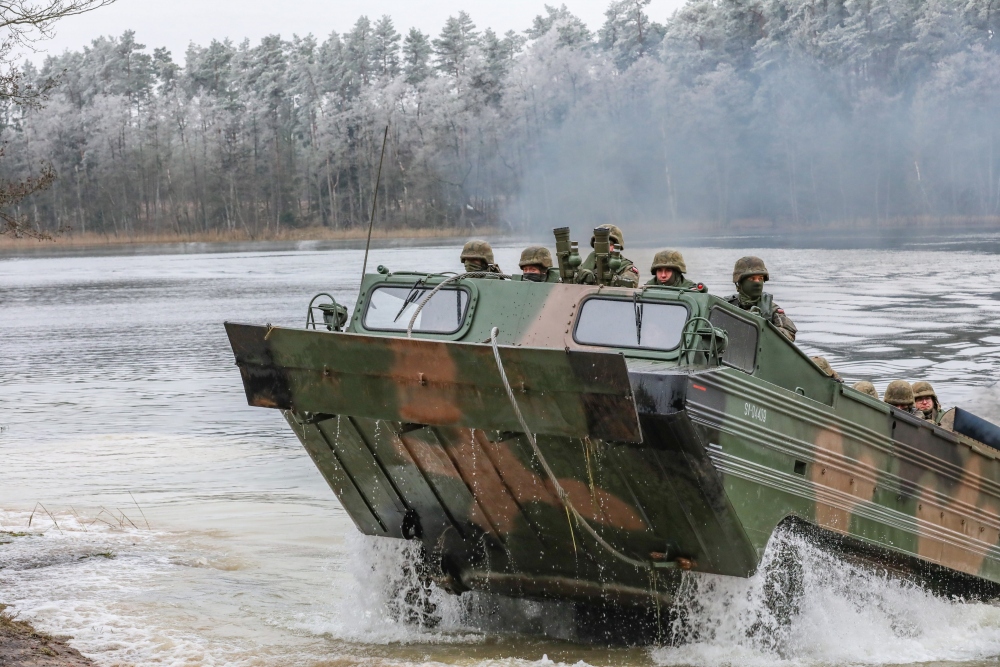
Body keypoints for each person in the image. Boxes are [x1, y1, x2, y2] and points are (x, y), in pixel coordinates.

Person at [726, 256, 797, 342]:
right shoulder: (726, 305)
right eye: (752, 279)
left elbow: (789, 335)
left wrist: (763, 325)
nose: (757, 282)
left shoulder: (771, 308)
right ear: (740, 283)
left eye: (760, 278)